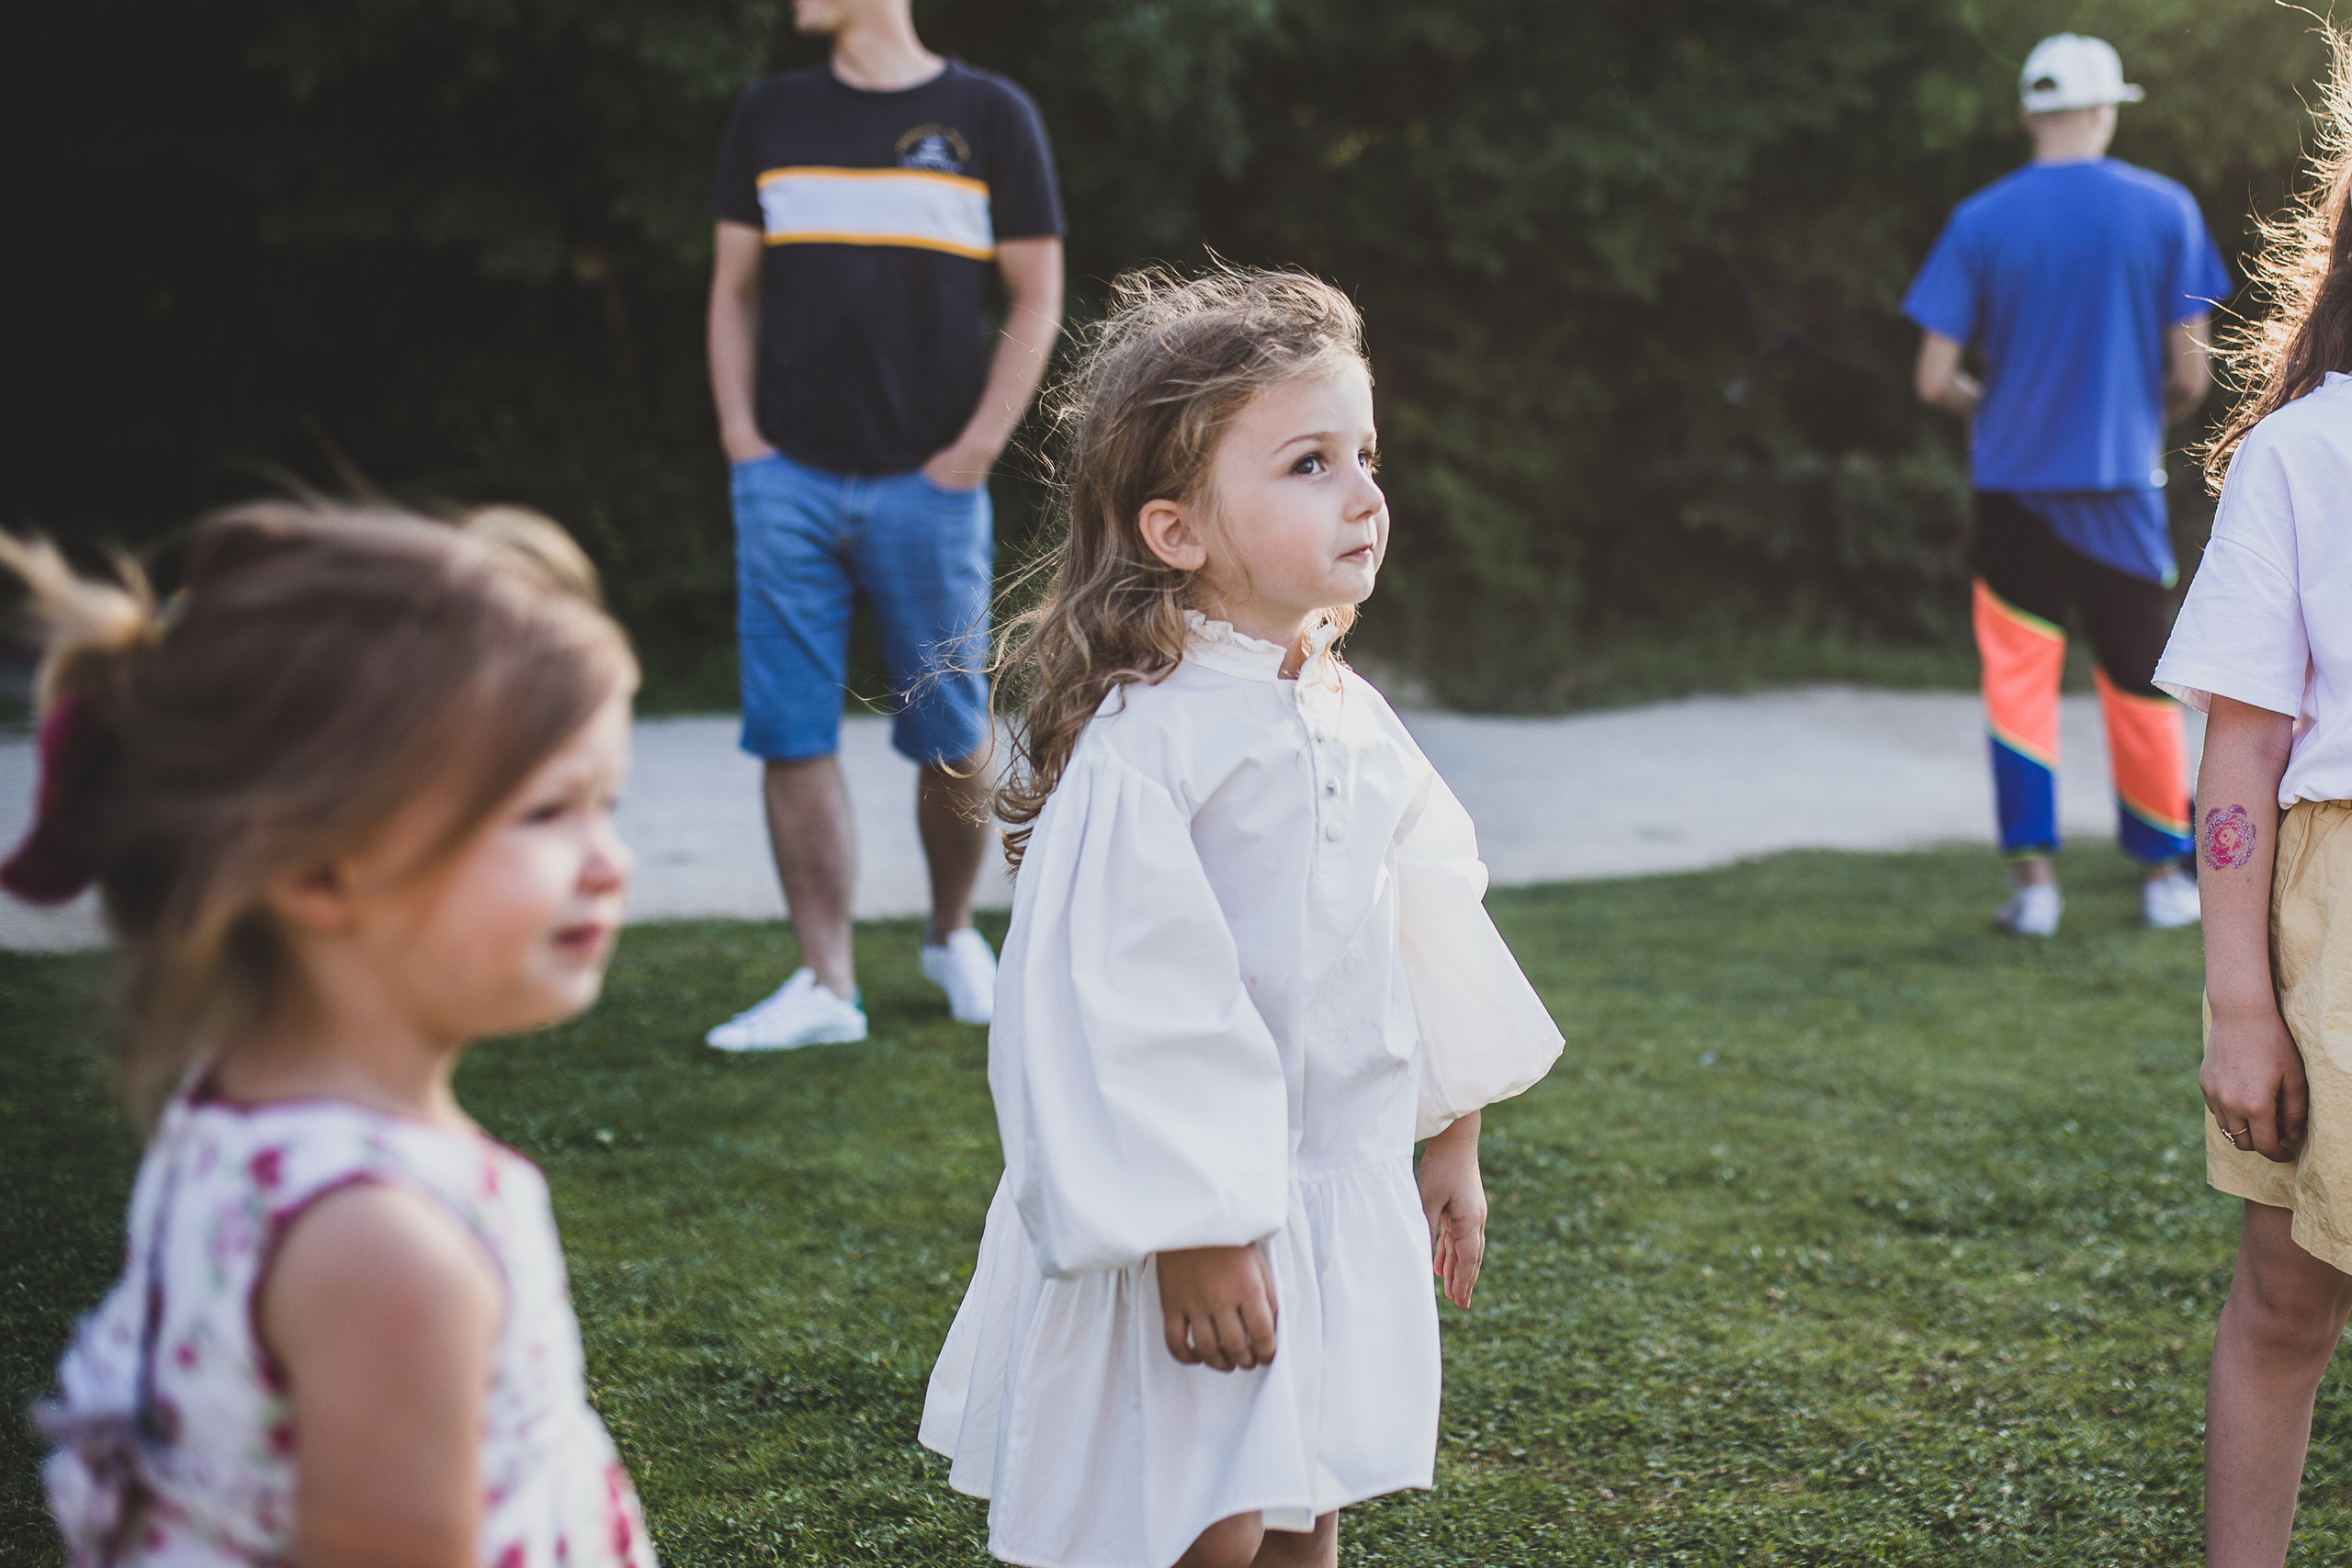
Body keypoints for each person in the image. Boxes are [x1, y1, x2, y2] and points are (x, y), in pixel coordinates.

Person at [916, 268, 1565, 1568]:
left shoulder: (1347, 711)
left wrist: (1453, 1136)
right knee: (1193, 1523)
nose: (1367, 496)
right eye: (1311, 463)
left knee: (1304, 1504)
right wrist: (1198, 1231)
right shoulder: (1149, 743)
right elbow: (1127, 998)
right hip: (1189, 1224)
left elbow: (1430, 922)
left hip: (1333, 1190)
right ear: (1176, 530)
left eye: (1366, 456)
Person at [6, 503, 657, 1567]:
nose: (611, 862)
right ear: (316, 870)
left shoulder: (232, 1117)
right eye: (549, 813)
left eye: (609, 802)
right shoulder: (388, 1251)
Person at [703, 0, 1065, 1049]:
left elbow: (1037, 299)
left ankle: (951, 935)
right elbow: (732, 292)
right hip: (785, 480)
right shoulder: (767, 114)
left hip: (932, 483)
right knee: (790, 728)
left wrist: (973, 454)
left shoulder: (989, 114)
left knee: (953, 736)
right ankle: (825, 985)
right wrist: (740, 437)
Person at [2154, 32, 2352, 1568]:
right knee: (2290, 1293)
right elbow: (2237, 752)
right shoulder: (2305, 452)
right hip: (2331, 909)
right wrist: (2240, 1005)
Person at [1905, 32, 2230, 936]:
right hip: (2118, 483)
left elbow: (1934, 378)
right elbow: (2190, 378)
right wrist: (2136, 410)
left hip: (2009, 488)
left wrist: (1993, 404)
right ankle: (2166, 877)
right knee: (2137, 682)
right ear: (2102, 110)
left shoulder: (1979, 220)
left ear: (2025, 113)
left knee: (2017, 681)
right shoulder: (2164, 210)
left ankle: (2033, 888)